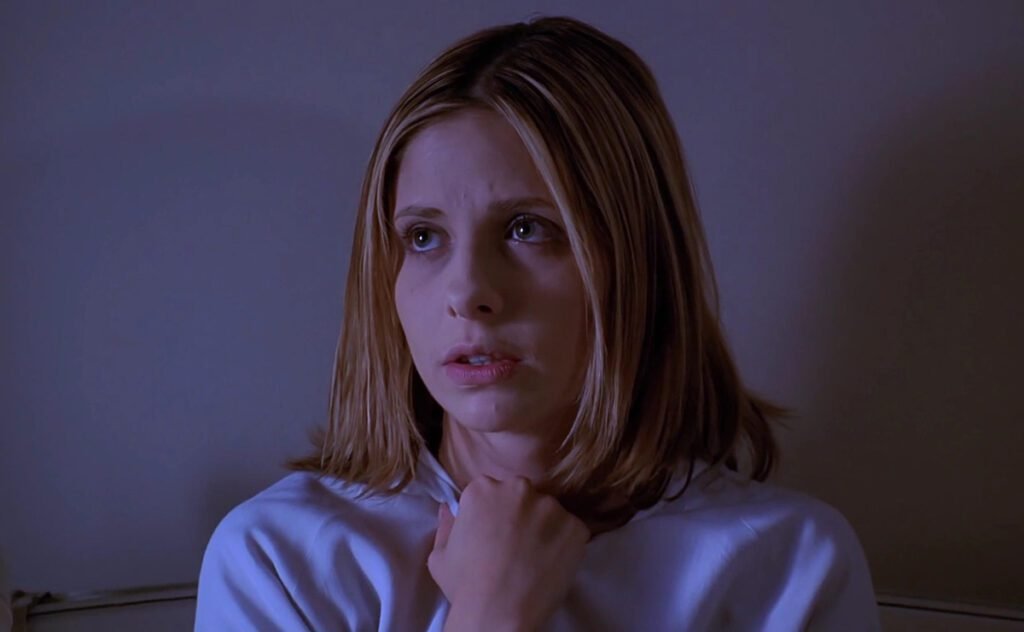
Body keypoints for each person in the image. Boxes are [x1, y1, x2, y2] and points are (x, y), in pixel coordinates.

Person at [195, 15, 882, 631]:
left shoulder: (787, 566)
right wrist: (490, 616)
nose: (469, 293)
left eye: (527, 229)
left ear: (636, 259)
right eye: (424, 238)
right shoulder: (280, 560)